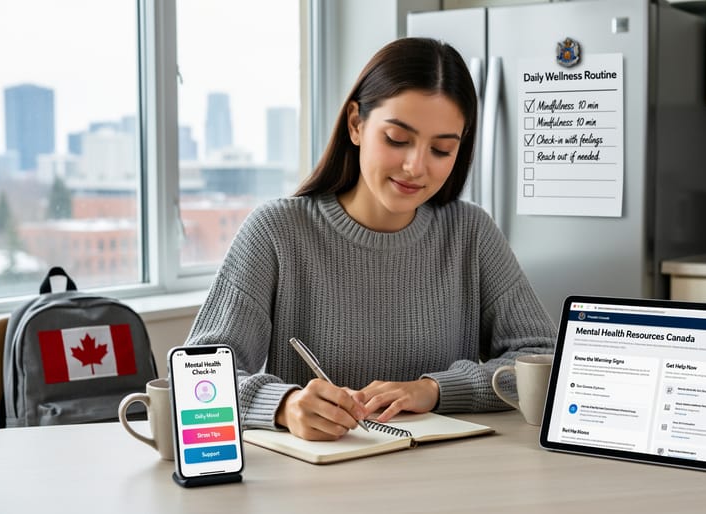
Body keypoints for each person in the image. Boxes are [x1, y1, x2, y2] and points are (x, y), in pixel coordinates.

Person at [185, 37, 556, 441]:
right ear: (356, 124)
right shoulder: (276, 231)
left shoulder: (471, 233)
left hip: (446, 471)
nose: (416, 166)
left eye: (441, 149)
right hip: (317, 474)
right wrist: (283, 405)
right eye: (397, 139)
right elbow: (195, 378)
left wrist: (436, 389)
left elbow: (547, 359)